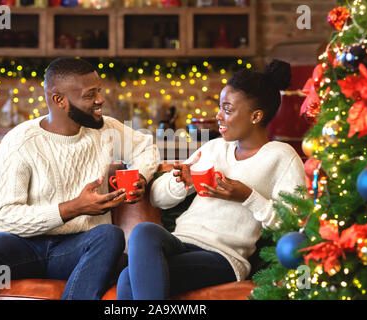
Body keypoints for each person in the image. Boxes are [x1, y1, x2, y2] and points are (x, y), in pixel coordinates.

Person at [0, 57, 160, 300]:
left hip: (77, 249)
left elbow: (146, 148)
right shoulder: (21, 141)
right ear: (59, 100)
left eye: (98, 91)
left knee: (109, 236)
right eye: (90, 95)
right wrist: (73, 208)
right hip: (23, 248)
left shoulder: (106, 129)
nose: (100, 100)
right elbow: (0, 219)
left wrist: (139, 176)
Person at [117, 60, 306, 300]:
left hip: (222, 257)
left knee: (127, 278)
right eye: (220, 107)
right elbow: (157, 198)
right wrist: (184, 183)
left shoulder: (281, 156)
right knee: (144, 232)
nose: (218, 116)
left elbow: (294, 223)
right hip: (180, 243)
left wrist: (247, 197)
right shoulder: (213, 148)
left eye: (227, 109)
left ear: (256, 116)